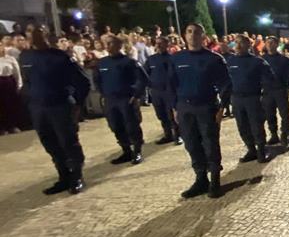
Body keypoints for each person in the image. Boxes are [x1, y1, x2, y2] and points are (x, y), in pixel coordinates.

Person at [19, 28, 91, 194]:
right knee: (50, 144)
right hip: (38, 109)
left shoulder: (60, 57)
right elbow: (27, 81)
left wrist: (77, 105)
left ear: (46, 37)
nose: (34, 39)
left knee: (68, 142)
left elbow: (83, 82)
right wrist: (29, 100)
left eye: (38, 35)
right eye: (31, 36)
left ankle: (77, 177)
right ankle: (63, 177)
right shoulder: (25, 57)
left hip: (60, 107)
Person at [169, 23, 232, 199]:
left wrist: (221, 108)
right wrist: (175, 106)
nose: (192, 35)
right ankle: (200, 179)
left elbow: (225, 85)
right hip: (184, 107)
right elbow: (171, 84)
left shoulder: (214, 59)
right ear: (184, 35)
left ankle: (214, 180)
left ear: (203, 36)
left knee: (210, 143)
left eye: (196, 32)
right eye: (189, 32)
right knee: (191, 143)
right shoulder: (177, 59)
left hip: (206, 106)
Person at [96, 35, 149, 165]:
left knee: (132, 126)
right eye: (106, 44)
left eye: (111, 43)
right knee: (116, 126)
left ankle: (137, 151)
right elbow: (97, 80)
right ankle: (126, 151)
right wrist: (103, 94)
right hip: (110, 100)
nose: (107, 46)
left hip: (126, 100)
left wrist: (136, 95)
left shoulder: (129, 62)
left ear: (119, 46)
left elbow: (143, 79)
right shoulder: (102, 63)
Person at [227, 34, 274, 164]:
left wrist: (263, 95)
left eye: (241, 43)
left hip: (253, 98)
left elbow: (269, 79)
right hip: (237, 99)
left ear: (248, 45)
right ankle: (251, 149)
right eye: (236, 42)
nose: (238, 45)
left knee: (256, 125)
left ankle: (261, 150)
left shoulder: (258, 62)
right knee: (242, 126)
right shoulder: (230, 61)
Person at [146, 36, 182, 145]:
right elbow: (145, 74)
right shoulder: (151, 59)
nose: (159, 45)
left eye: (161, 43)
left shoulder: (172, 59)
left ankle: (178, 135)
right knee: (161, 115)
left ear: (167, 45)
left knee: (171, 115)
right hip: (156, 92)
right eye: (157, 43)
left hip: (169, 91)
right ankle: (168, 135)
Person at [262, 36, 289, 147]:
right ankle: (274, 135)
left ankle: (284, 134)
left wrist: (287, 86)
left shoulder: (284, 60)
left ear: (276, 45)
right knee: (269, 114)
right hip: (267, 91)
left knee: (284, 114)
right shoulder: (262, 59)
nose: (270, 45)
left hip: (280, 90)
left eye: (272, 43)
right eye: (268, 43)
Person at [0, 44, 23, 134]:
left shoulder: (10, 58)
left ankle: (12, 126)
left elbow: (17, 73)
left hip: (9, 82)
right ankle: (2, 128)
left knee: (11, 105)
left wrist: (19, 85)